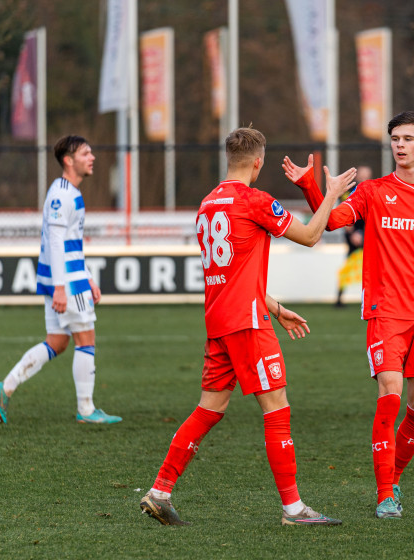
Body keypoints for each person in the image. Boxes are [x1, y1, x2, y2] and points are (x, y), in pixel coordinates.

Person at [140, 127, 356, 527]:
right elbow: (310, 236)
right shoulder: (256, 200)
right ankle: (294, 509)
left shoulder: (207, 204)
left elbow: (231, 270)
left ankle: (159, 491)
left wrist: (273, 306)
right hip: (246, 324)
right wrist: (330, 194)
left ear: (229, 159)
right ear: (258, 162)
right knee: (277, 409)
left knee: (210, 408)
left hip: (219, 320)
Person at [283, 111, 414, 519]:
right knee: (390, 391)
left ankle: (392, 477)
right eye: (395, 138)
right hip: (385, 311)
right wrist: (311, 185)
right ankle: (384, 495)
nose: (399, 145)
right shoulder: (374, 191)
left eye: (408, 138)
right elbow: (334, 221)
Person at [0, 136, 121, 425]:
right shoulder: (64, 195)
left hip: (65, 278)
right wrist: (63, 287)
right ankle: (86, 410)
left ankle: (5, 388)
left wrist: (89, 278)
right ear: (68, 160)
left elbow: (70, 243)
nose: (92, 157)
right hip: (66, 283)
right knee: (86, 340)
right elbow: (58, 242)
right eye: (86, 153)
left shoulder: (65, 191)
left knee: (57, 342)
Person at [334, 166, 369, 307]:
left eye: (367, 174)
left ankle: (371, 299)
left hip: (368, 234)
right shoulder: (349, 192)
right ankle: (339, 299)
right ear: (358, 175)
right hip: (354, 236)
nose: (365, 177)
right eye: (363, 174)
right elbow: (344, 212)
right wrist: (352, 233)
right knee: (348, 268)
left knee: (372, 268)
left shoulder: (371, 190)